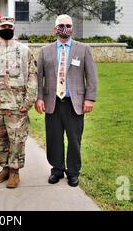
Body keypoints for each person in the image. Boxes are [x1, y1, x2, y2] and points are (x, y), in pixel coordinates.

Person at [35, 14, 98, 187]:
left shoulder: (83, 49)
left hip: (74, 104)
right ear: (55, 29)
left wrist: (90, 99)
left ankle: (73, 172)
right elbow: (39, 77)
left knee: (74, 139)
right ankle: (57, 169)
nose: (65, 28)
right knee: (54, 138)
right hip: (52, 103)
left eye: (68, 25)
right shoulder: (45, 50)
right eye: (61, 25)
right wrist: (39, 98)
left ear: (72, 28)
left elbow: (91, 76)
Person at [0, 16, 37, 188]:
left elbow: (32, 77)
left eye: (9, 26)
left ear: (13, 28)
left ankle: (14, 172)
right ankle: (5, 168)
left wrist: (28, 101)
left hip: (17, 105)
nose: (6, 28)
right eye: (3, 26)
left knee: (17, 140)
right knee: (0, 138)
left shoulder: (24, 51)